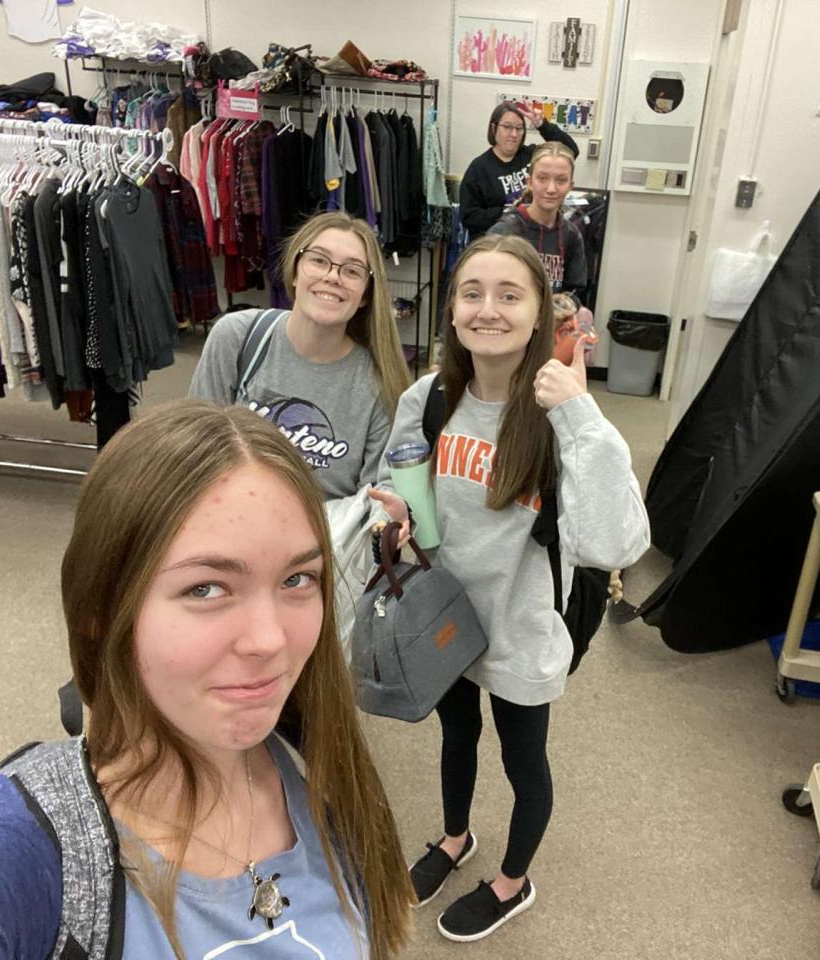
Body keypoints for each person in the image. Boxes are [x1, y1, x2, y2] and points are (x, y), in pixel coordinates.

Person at [0, 400, 413, 959]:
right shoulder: (17, 856)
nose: (270, 640)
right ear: (100, 612)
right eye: (206, 588)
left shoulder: (320, 770)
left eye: (297, 579)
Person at [371, 235, 650, 941]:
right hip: (445, 616)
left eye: (509, 295)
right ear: (452, 310)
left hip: (523, 625)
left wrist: (580, 413)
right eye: (472, 293)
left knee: (524, 761)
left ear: (538, 315)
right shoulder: (429, 399)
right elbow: (401, 492)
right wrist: (395, 519)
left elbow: (618, 543)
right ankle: (455, 838)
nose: (487, 310)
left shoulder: (561, 415)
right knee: (457, 734)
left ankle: (512, 881)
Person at [189, 211, 411, 513]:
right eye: (319, 260)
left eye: (352, 271)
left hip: (325, 537)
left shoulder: (379, 383)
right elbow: (196, 452)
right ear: (294, 272)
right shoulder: (237, 337)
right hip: (229, 522)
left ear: (364, 296)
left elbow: (371, 503)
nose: (332, 276)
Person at [489, 143, 595, 365]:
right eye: (543, 178)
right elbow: (480, 286)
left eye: (561, 180)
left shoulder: (571, 235)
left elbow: (575, 290)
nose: (551, 188)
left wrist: (564, 306)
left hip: (550, 338)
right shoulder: (507, 230)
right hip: (508, 336)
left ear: (570, 186)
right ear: (530, 182)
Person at [458, 103, 579, 239]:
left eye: (519, 128)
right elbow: (469, 217)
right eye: (507, 127)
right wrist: (512, 212)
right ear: (494, 128)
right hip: (496, 241)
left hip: (535, 238)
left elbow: (570, 151)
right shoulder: (479, 168)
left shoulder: (532, 155)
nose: (514, 134)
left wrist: (543, 126)